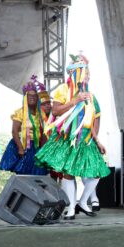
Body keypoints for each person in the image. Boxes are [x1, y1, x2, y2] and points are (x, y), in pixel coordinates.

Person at [35, 53, 110, 220]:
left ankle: (83, 202)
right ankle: (70, 208)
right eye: (85, 72)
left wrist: (97, 139)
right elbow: (55, 111)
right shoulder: (63, 89)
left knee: (97, 171)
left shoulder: (90, 95)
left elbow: (94, 118)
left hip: (86, 139)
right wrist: (74, 101)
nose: (88, 76)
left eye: (88, 72)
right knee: (68, 173)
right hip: (67, 138)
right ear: (75, 72)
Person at [0, 75, 48, 175]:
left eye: (34, 96)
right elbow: (14, 131)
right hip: (24, 145)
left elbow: (44, 132)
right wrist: (20, 148)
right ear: (25, 97)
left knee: (38, 173)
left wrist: (43, 148)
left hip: (37, 146)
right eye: (29, 96)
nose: (32, 98)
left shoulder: (41, 113)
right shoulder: (20, 112)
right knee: (24, 173)